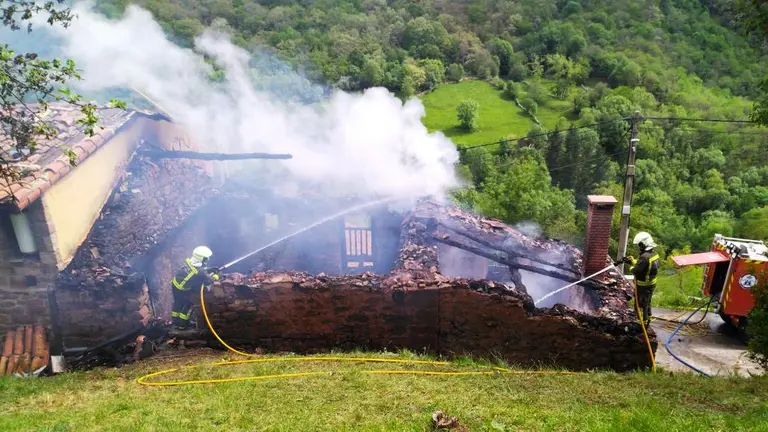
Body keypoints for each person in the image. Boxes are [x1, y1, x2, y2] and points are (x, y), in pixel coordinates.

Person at [171, 246, 220, 329]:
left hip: (175, 285)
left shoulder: (190, 262)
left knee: (178, 303)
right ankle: (183, 324)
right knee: (188, 304)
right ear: (202, 259)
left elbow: (198, 270)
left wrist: (209, 269)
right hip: (183, 290)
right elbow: (208, 281)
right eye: (206, 258)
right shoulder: (200, 272)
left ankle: (175, 322)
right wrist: (215, 276)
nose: (207, 260)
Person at [621, 232, 660, 326]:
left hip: (643, 286)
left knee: (640, 304)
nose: (639, 247)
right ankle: (647, 320)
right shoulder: (654, 254)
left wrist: (631, 266)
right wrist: (633, 261)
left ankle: (641, 324)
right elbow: (644, 266)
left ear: (644, 244)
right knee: (647, 303)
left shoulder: (645, 257)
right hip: (651, 284)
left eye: (640, 245)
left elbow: (636, 270)